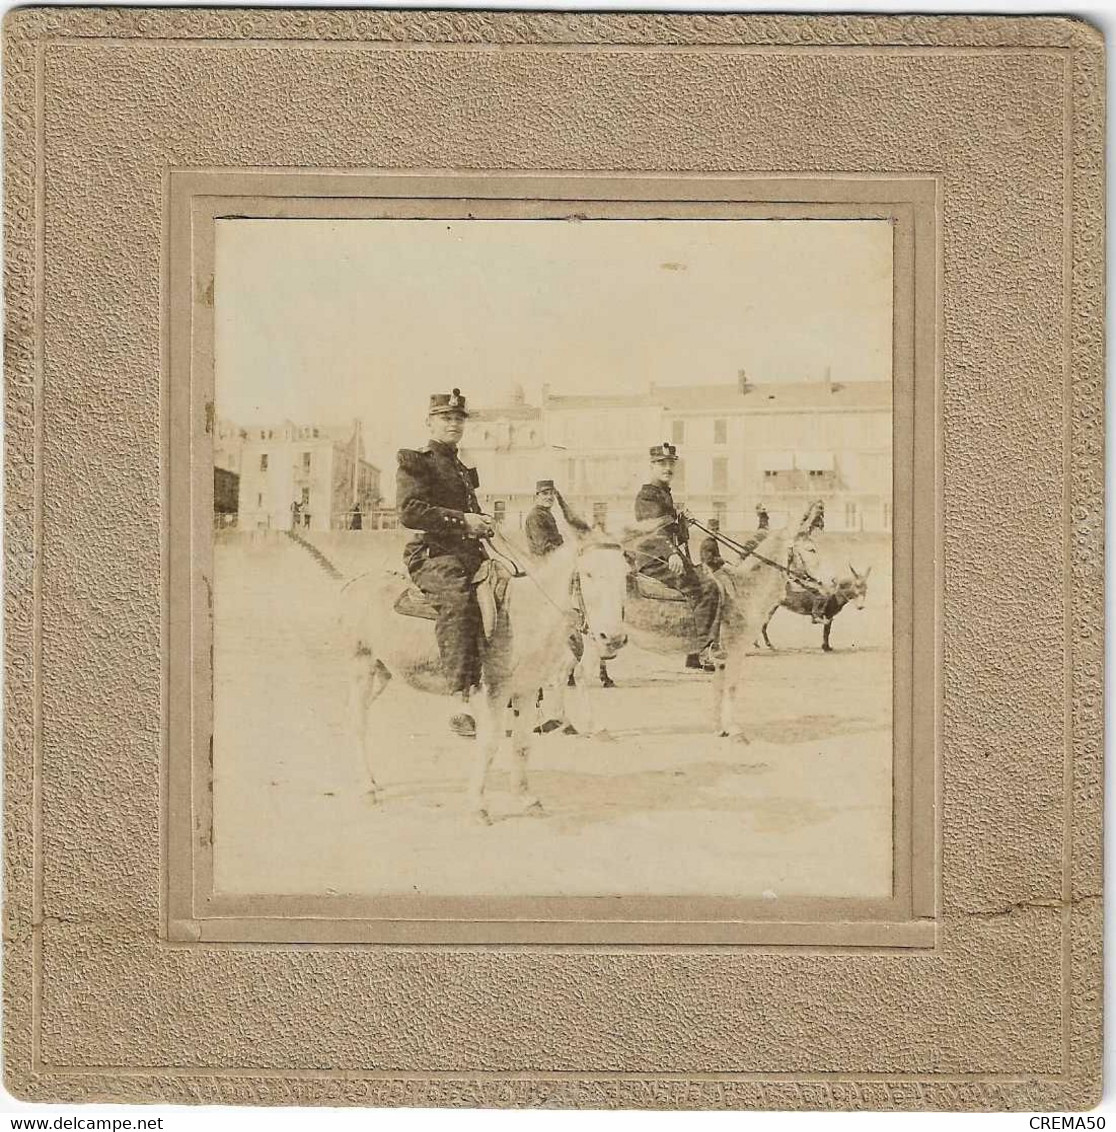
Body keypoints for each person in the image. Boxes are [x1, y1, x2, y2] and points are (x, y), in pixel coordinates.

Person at [397, 388, 495, 738]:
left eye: (458, 418)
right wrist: (465, 521)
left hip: (469, 552)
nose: (453, 423)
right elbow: (410, 512)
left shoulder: (459, 466)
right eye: (445, 418)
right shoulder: (417, 462)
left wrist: (482, 522)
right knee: (457, 601)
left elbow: (468, 509)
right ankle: (459, 699)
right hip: (433, 553)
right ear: (429, 422)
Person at [632, 442, 721, 672]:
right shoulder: (648, 497)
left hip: (665, 556)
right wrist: (672, 553)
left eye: (671, 463)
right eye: (662, 463)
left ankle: (693, 653)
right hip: (654, 559)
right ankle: (702, 651)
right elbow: (654, 531)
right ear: (652, 466)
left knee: (705, 577)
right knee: (707, 587)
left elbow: (676, 534)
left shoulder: (663, 494)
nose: (667, 467)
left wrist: (682, 522)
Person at [524, 480, 616, 690]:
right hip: (545, 572)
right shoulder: (536, 516)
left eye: (551, 494)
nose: (548, 497)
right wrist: (570, 552)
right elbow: (543, 547)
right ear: (536, 496)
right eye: (544, 493)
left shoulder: (547, 515)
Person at [787, 501, 833, 623]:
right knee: (822, 593)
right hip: (798, 575)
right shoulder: (802, 542)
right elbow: (803, 565)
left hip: (804, 574)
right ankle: (816, 615)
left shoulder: (808, 543)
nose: (817, 532)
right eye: (816, 528)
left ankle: (818, 613)